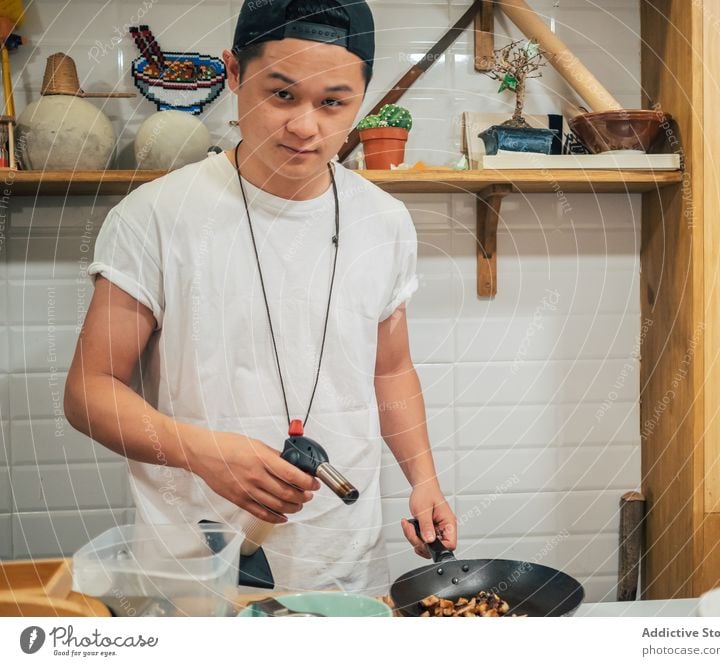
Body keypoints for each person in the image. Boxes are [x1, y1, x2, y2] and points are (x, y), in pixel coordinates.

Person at [63, 0, 457, 594]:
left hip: (343, 556)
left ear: (362, 96)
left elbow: (391, 368)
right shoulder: (155, 216)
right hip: (198, 563)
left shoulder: (385, 220)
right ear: (233, 74)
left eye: (333, 102)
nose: (306, 126)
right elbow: (89, 391)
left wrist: (423, 479)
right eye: (281, 95)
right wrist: (202, 452)